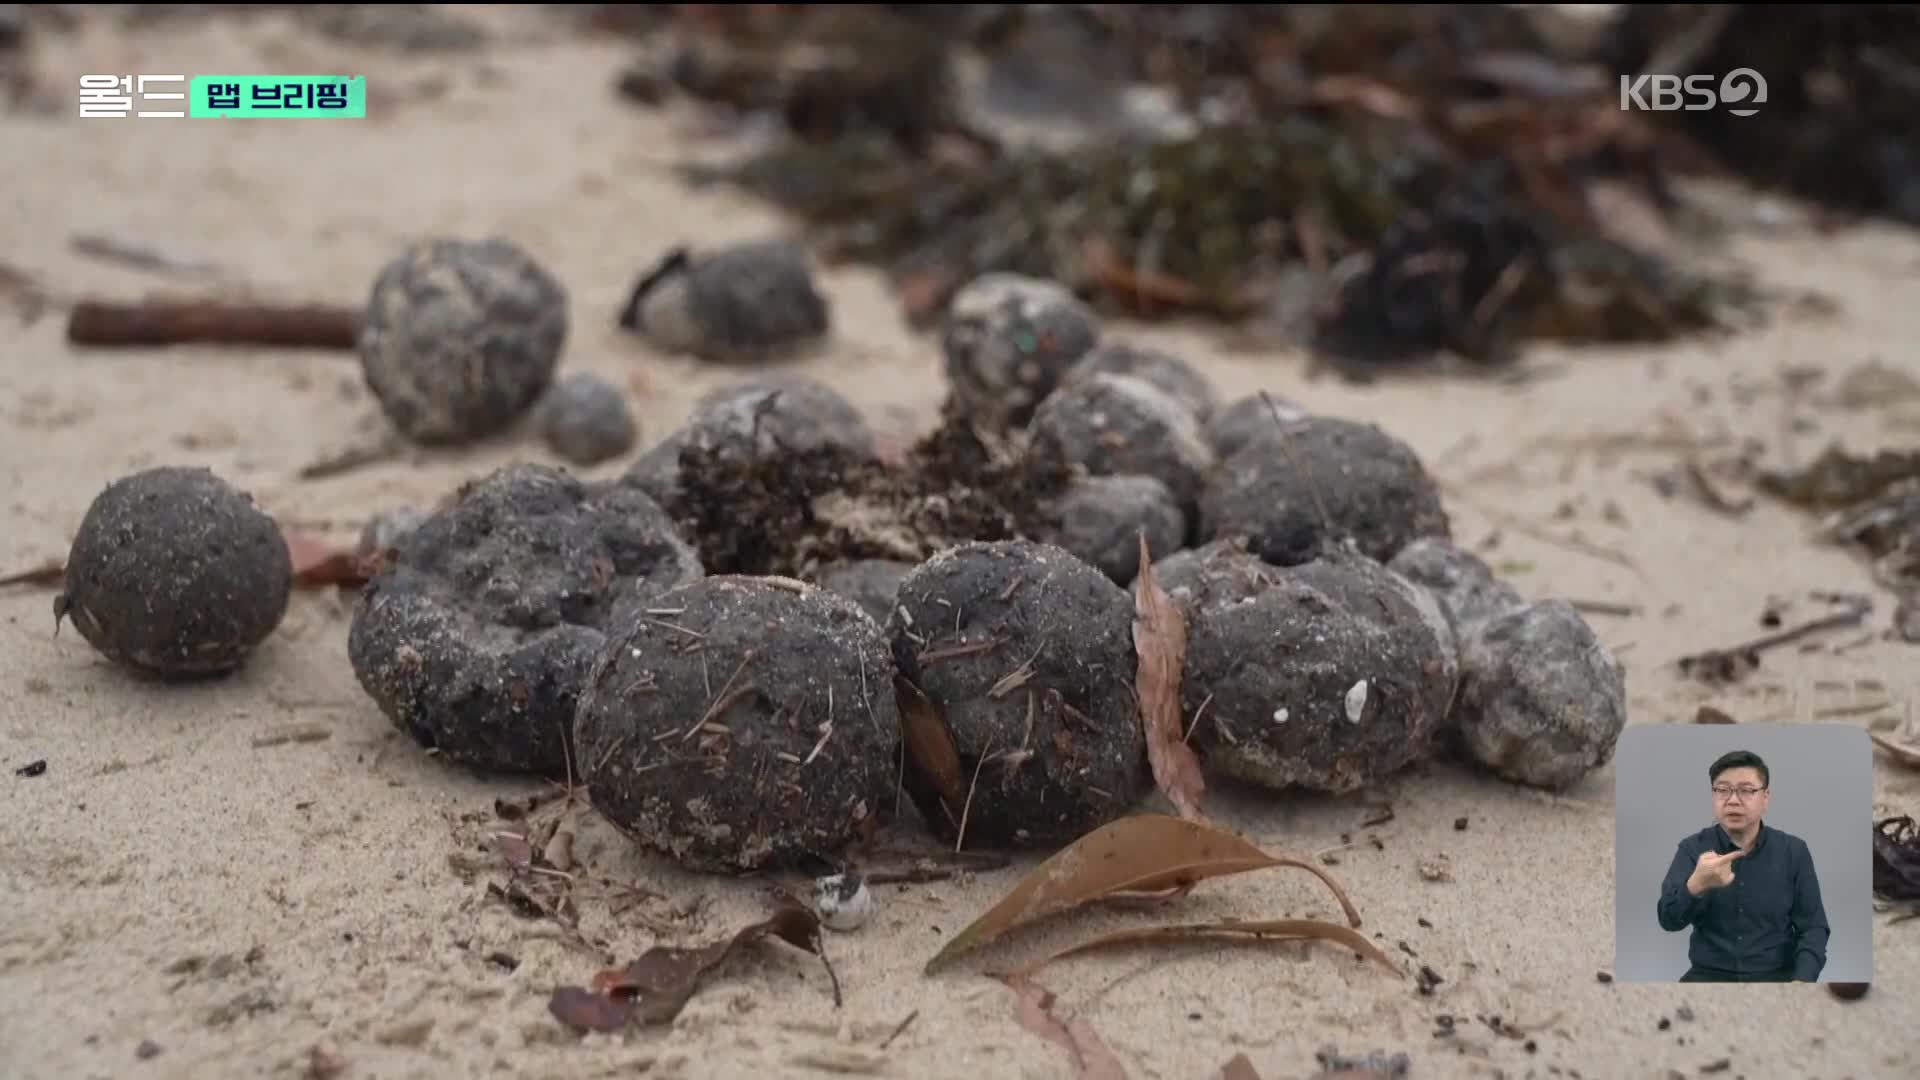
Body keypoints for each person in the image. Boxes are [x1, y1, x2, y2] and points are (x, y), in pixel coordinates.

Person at [1655, 749, 1830, 982]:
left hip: (1776, 976)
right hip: (1708, 975)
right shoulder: (1692, 849)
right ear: (1713, 795)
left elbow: (1814, 928)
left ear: (1765, 797)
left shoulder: (1793, 851)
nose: (1733, 800)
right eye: (1722, 790)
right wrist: (1695, 885)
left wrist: (1802, 981)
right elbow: (1667, 919)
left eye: (1746, 790)